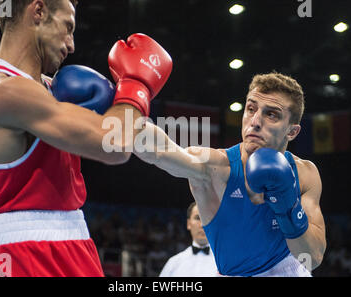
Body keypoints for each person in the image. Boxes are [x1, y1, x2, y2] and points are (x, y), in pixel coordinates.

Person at [0, 0, 172, 276]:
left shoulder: (51, 90)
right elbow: (114, 145)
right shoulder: (2, 93)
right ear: (38, 11)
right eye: (68, 28)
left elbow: (138, 133)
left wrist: (205, 164)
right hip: (27, 253)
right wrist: (137, 86)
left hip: (75, 240)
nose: (72, 43)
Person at [134, 72, 326, 276]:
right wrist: (130, 99)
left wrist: (287, 208)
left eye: (271, 114)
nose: (255, 121)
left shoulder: (305, 173)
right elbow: (159, 151)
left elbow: (312, 257)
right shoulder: (214, 168)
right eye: (251, 109)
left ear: (292, 131)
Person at [159, 202, 218, 277]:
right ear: (188, 224)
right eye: (197, 218)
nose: (202, 225)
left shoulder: (226, 263)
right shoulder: (173, 263)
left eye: (207, 218)